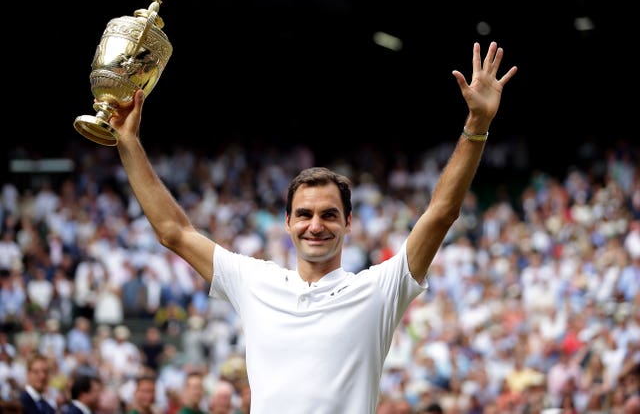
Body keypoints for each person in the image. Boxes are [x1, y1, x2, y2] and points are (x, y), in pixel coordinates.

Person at [108, 41, 517, 413]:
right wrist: (128, 141)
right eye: (304, 214)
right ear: (287, 223)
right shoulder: (254, 281)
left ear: (348, 223)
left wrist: (476, 126)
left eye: (329, 214)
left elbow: (442, 212)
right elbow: (172, 231)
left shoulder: (378, 290)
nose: (315, 225)